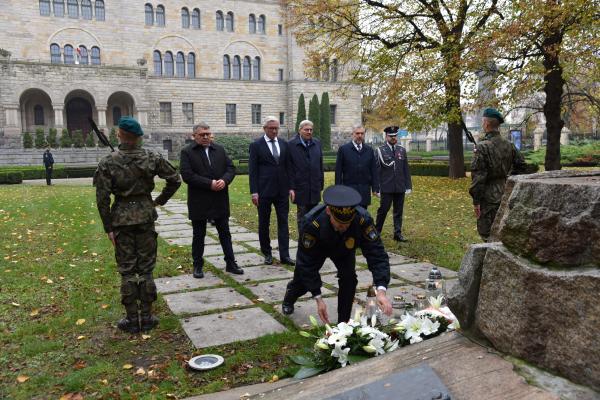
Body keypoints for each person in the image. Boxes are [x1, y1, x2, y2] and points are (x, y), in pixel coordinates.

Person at [94, 116, 181, 334]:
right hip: (145, 217)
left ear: (120, 135)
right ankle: (147, 316)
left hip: (121, 220)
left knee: (127, 270)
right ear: (139, 137)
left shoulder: (108, 162)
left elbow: (102, 199)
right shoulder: (151, 157)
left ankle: (132, 319)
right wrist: (159, 200)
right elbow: (175, 179)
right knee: (146, 269)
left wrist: (108, 228)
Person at [282, 185, 393, 324]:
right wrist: (318, 298)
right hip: (319, 248)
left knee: (349, 279)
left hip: (344, 249)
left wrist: (381, 290)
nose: (344, 227)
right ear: (329, 211)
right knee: (303, 281)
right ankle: (289, 297)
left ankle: (343, 324)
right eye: (340, 224)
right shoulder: (312, 224)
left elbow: (377, 254)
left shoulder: (362, 220)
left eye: (347, 224)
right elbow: (306, 264)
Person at [180, 122, 243, 278]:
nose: (206, 137)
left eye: (208, 134)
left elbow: (231, 168)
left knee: (225, 233)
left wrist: (224, 180)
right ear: (194, 136)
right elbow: (187, 175)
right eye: (202, 134)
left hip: (219, 198)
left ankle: (230, 263)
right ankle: (197, 265)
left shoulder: (219, 149)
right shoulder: (187, 152)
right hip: (199, 199)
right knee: (199, 234)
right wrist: (209, 184)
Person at [470, 108, 526, 241]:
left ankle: (489, 260)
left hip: (488, 197)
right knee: (502, 232)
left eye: (483, 122)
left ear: (487, 124)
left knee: (487, 234)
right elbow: (522, 166)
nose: (483, 125)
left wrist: (476, 201)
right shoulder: (509, 145)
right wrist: (509, 180)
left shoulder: (482, 147)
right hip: (505, 193)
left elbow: (479, 177)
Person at [249, 116, 295, 266]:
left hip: (282, 191)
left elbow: (289, 167)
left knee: (283, 222)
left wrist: (291, 187)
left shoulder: (284, 144)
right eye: (271, 128)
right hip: (264, 192)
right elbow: (253, 170)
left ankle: (285, 255)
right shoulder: (256, 145)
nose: (274, 131)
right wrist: (254, 192)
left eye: (276, 128)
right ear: (265, 129)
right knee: (264, 223)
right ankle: (267, 253)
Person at [374, 126, 412, 242]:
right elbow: (376, 170)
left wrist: (408, 185)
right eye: (391, 136)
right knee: (383, 210)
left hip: (399, 186)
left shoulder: (401, 150)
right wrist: (377, 187)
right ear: (386, 137)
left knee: (398, 211)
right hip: (386, 186)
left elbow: (406, 169)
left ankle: (397, 233)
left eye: (395, 136)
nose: (393, 138)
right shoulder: (380, 150)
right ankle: (377, 232)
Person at [288, 120, 324, 230]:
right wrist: (291, 188)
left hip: (314, 187)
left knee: (315, 217)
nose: (309, 132)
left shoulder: (317, 143)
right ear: (300, 130)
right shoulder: (291, 145)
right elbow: (289, 168)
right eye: (306, 130)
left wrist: (320, 183)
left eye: (311, 130)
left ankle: (313, 242)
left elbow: (320, 164)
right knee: (302, 218)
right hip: (300, 188)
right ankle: (303, 243)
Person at [335, 124, 379, 209]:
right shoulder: (344, 149)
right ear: (353, 134)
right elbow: (338, 171)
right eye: (357, 133)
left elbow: (373, 170)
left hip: (364, 190)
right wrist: (338, 188)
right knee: (349, 217)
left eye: (362, 133)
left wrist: (375, 187)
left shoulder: (369, 150)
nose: (360, 136)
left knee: (362, 217)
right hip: (349, 189)